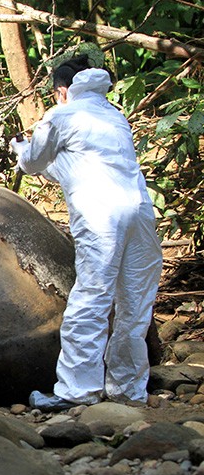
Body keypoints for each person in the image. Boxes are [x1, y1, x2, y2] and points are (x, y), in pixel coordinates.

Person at [10, 56, 163, 411]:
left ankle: (76, 390)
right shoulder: (113, 116)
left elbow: (34, 163)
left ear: (62, 91)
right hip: (139, 212)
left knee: (91, 298)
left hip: (101, 217)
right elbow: (71, 167)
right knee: (134, 303)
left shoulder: (60, 116)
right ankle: (128, 389)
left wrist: (21, 151)